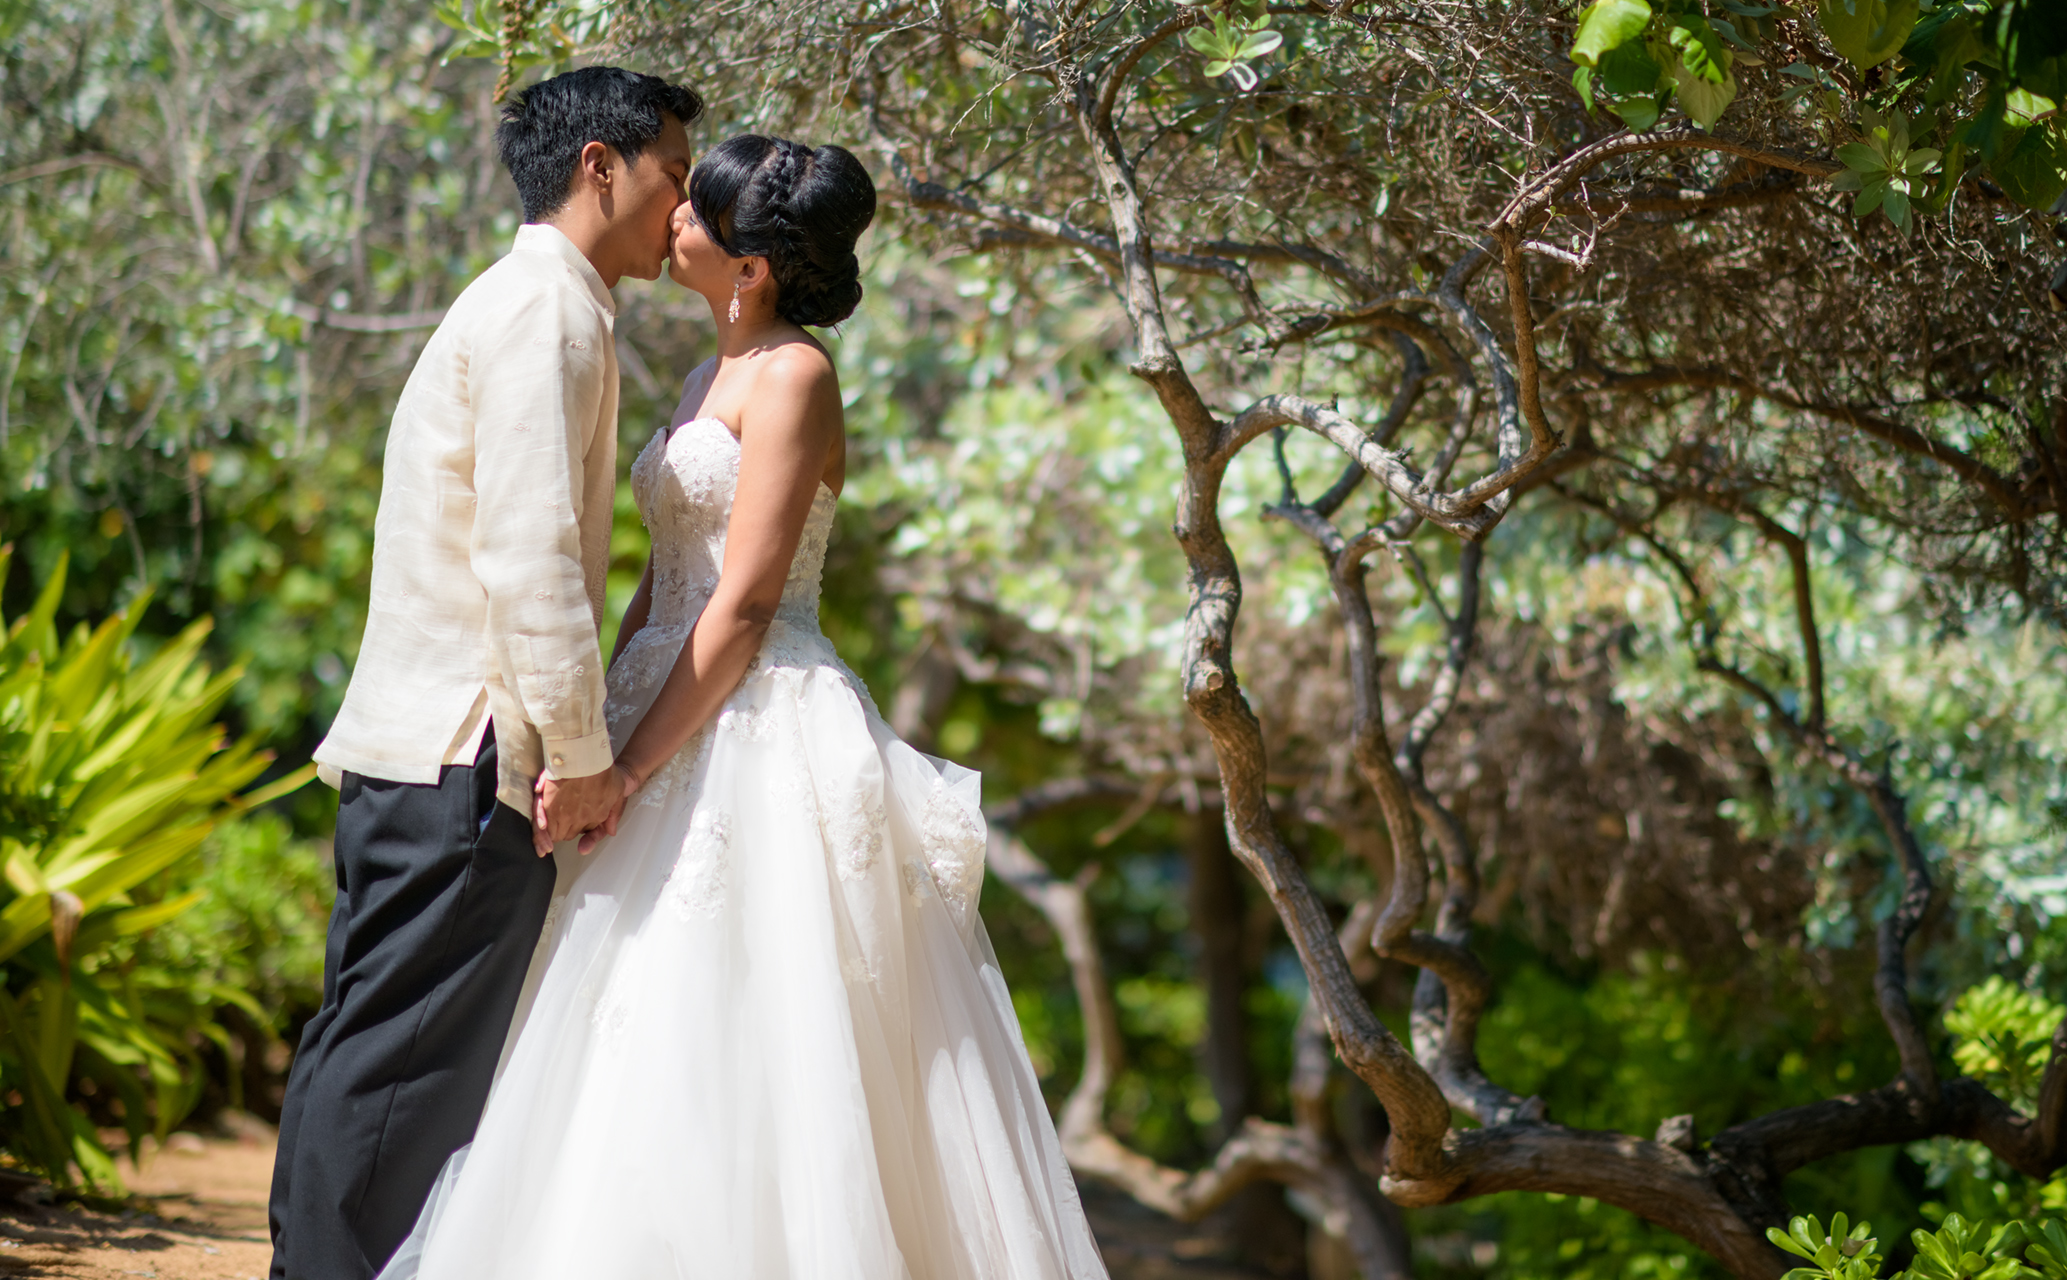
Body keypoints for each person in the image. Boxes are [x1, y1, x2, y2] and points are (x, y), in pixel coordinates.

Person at [374, 134, 1111, 1280]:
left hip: (756, 715)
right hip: (655, 695)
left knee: (758, 1009)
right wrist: (597, 726)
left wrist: (629, 764)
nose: (671, 221)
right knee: (623, 1011)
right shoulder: (696, 377)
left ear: (751, 264)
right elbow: (660, 578)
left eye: (694, 212)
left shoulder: (797, 377)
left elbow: (749, 599)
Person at [271, 67, 702, 1280]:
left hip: (417, 744)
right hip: (468, 753)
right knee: (400, 1072)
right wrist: (584, 759)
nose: (682, 211)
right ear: (599, 166)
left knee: (361, 1047)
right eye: (671, 175)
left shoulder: (532, 301)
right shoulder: (547, 314)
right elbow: (531, 560)